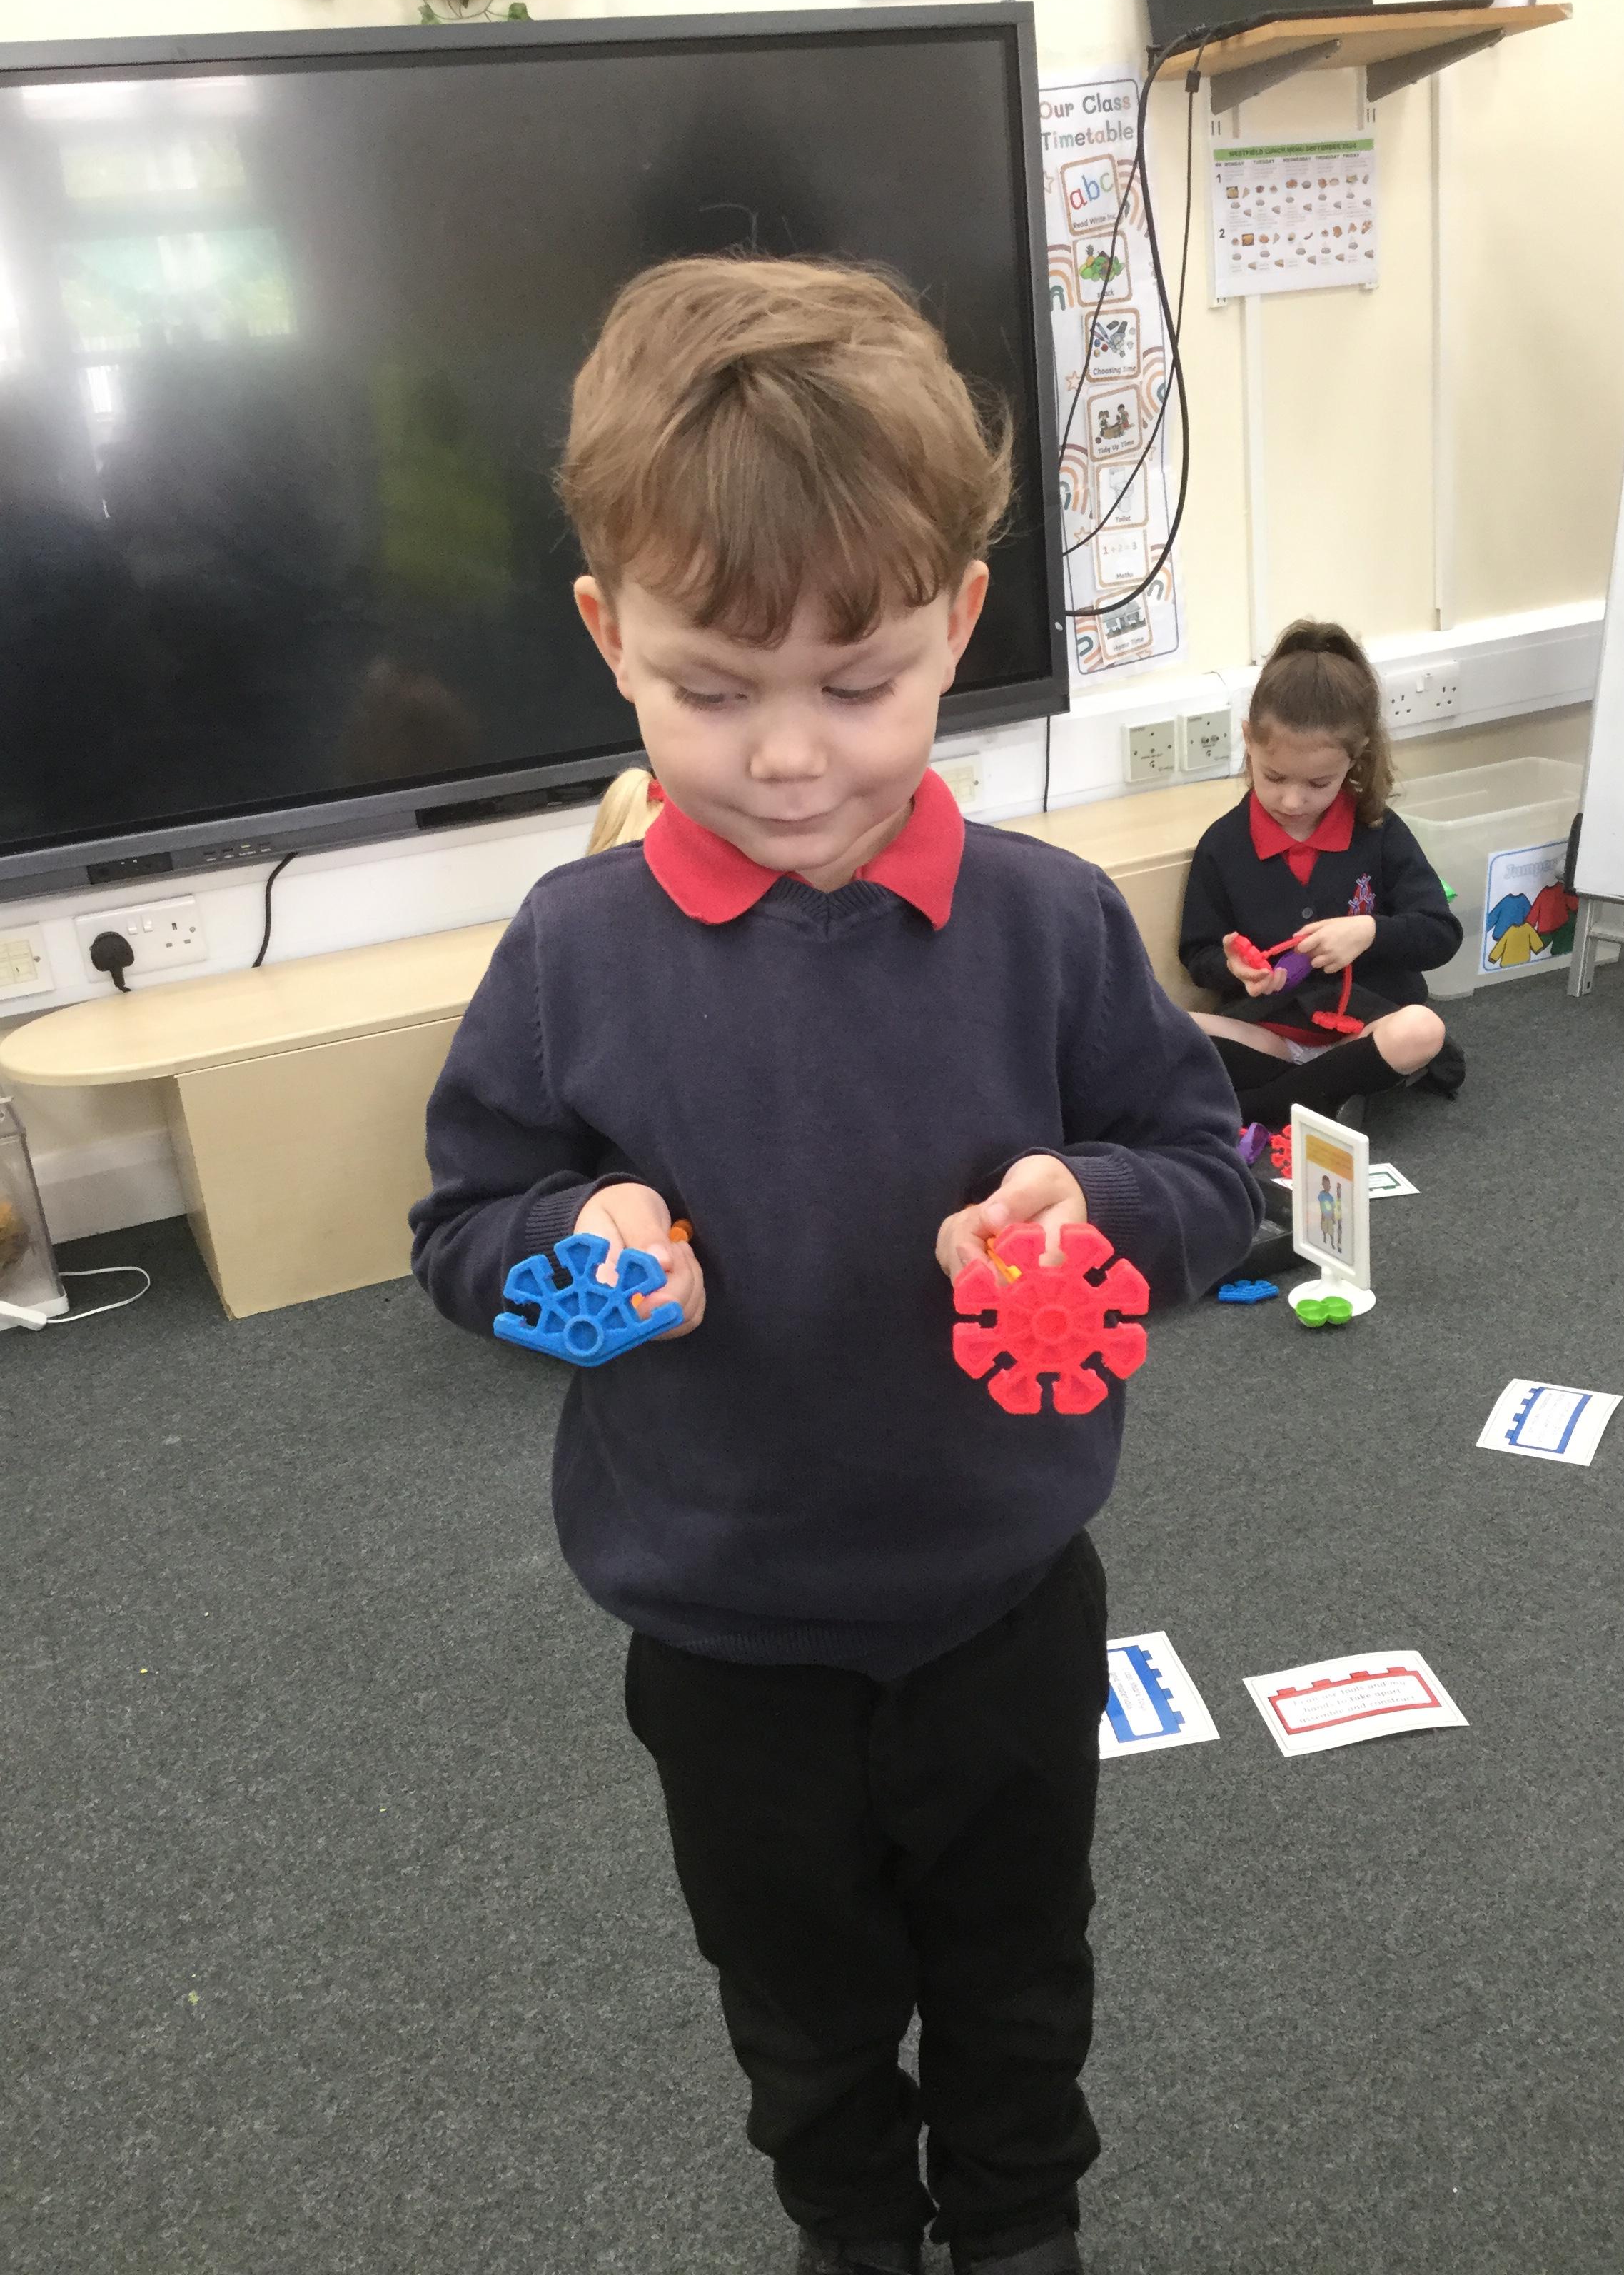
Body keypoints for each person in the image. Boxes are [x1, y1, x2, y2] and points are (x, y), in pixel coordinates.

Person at [410, 255, 1260, 2275]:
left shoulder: (1048, 924)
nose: (789, 757)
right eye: (713, 690)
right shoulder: (571, 951)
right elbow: (459, 1230)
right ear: (610, 638)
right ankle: (852, 2229)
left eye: (858, 681)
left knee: (1018, 1973)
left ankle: (1020, 2224)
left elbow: (1209, 1175)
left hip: (1003, 1604)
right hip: (723, 1635)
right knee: (797, 2004)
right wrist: (579, 1239)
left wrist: (1086, 1200)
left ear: (956, 623)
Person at [1178, 618, 1464, 1133]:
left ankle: (1261, 1109)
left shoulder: (1379, 832)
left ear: (1355, 759)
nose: (1292, 800)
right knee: (1161, 1024)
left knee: (1422, 1030)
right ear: (1248, 741)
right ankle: (1326, 1095)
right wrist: (1234, 969)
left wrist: (1370, 932)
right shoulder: (1222, 845)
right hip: (1271, 1034)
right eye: (1274, 777)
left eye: (1318, 783)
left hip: (1370, 1030)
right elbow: (1198, 955)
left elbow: (1440, 934)